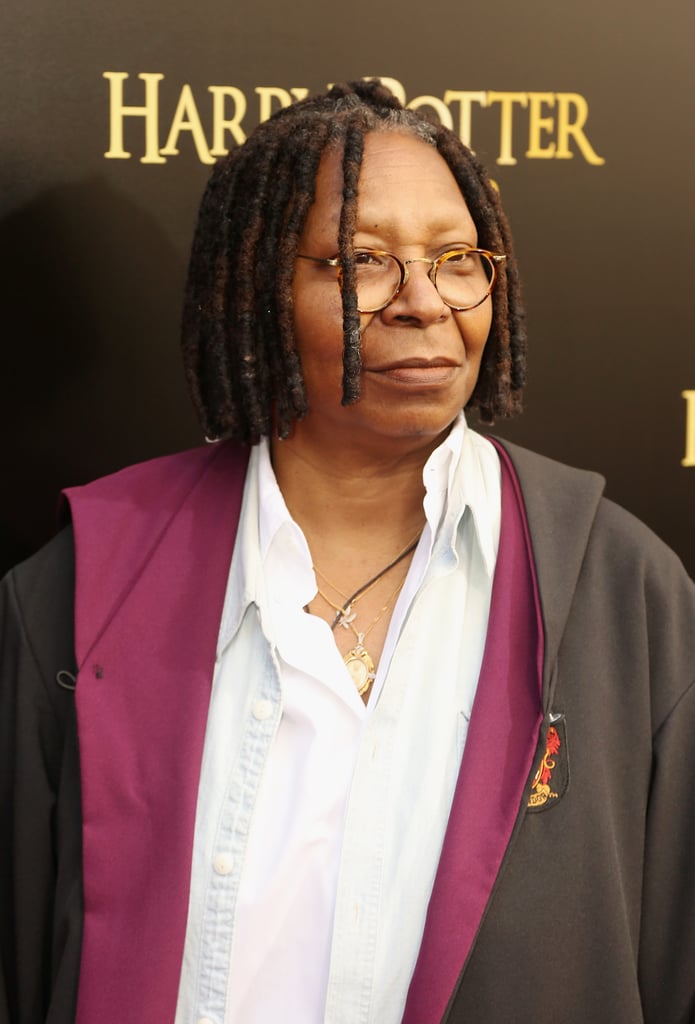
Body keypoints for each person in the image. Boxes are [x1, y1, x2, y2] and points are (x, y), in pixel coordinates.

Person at [1, 79, 694, 1024]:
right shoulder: (86, 588)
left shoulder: (623, 590)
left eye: (456, 258)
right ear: (255, 289)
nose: (424, 302)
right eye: (361, 261)